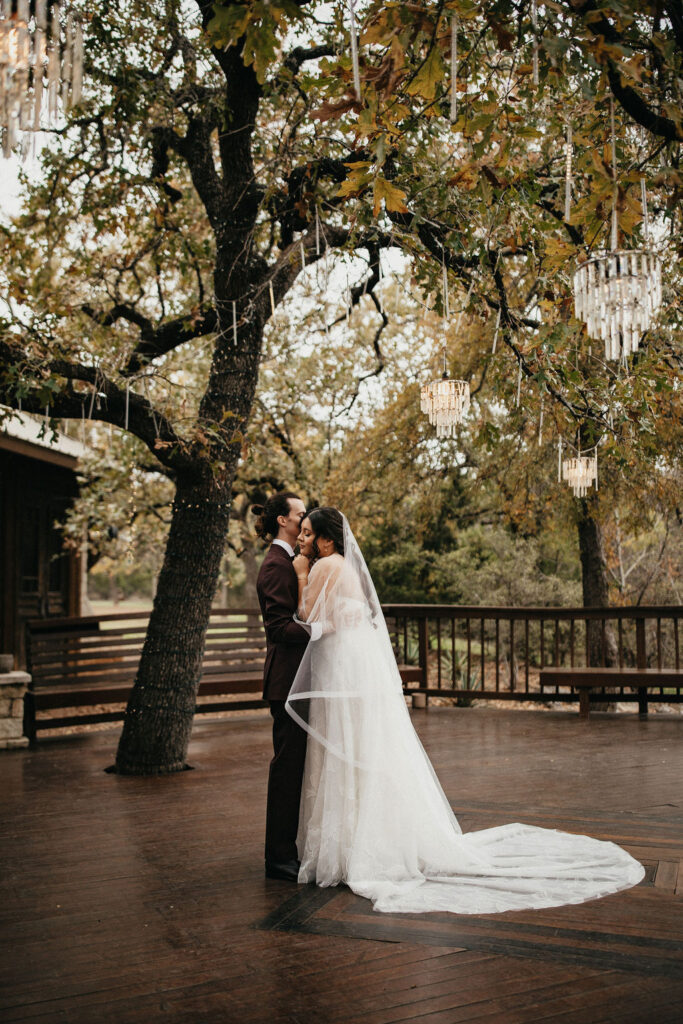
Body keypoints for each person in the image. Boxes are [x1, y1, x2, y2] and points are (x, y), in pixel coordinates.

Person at [287, 507, 645, 915]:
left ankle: (346, 847)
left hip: (341, 669)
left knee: (342, 748)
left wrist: (300, 572)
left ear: (327, 541)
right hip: (353, 666)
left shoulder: (323, 567)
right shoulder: (346, 567)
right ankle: (365, 840)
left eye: (308, 534)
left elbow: (307, 616)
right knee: (363, 749)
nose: (302, 539)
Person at [254, 491, 320, 882]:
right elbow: (279, 628)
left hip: (298, 680)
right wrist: (320, 629)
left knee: (294, 768)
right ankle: (279, 857)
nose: (304, 519)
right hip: (286, 683)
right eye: (300, 514)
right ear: (283, 520)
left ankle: (287, 851)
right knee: (286, 770)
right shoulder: (275, 565)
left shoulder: (292, 562)